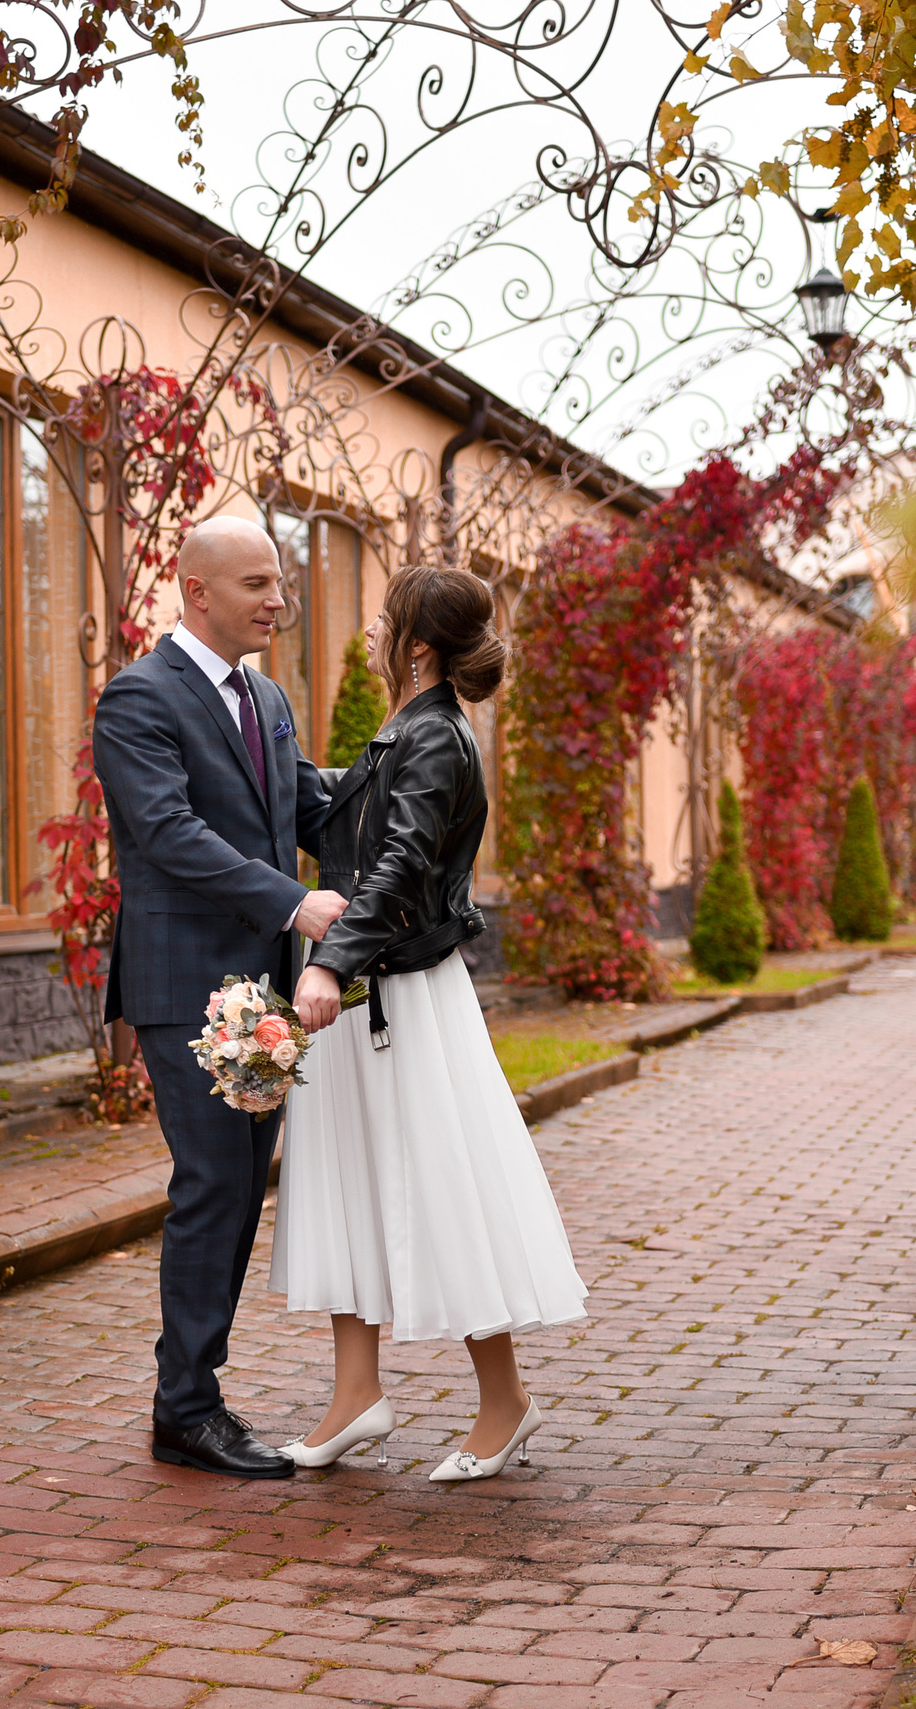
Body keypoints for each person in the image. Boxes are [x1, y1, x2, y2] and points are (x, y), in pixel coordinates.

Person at [274, 564, 588, 1482]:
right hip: (369, 990)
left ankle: (506, 1402)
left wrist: (330, 959)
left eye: (385, 621)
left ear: (417, 645)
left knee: (442, 1184)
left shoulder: (437, 736)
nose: (371, 632)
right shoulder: (405, 732)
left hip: (401, 996)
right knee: (347, 1179)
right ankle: (355, 1394)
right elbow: (337, 812)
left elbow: (405, 862)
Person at [93, 516, 347, 1480]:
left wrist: (409, 774)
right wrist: (295, 900)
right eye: (256, 584)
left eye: (278, 581)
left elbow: (303, 804)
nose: (277, 598)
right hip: (185, 986)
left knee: (239, 1191)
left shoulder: (267, 696)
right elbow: (167, 831)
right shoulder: (137, 700)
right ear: (197, 592)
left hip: (264, 989)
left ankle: (189, 1398)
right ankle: (186, 1410)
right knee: (214, 1185)